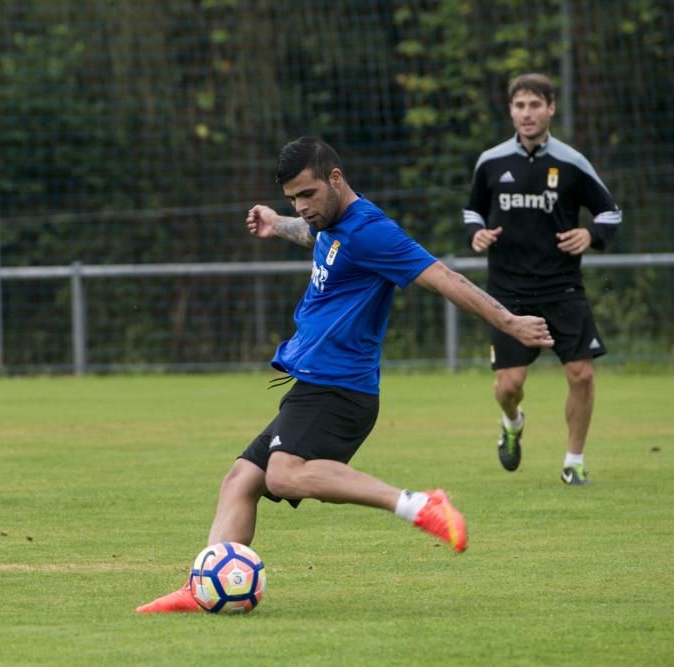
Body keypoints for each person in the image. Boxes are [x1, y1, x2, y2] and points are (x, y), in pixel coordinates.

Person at [136, 136, 555, 613]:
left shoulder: (372, 231)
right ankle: (201, 587)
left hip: (340, 387)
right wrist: (278, 224)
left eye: (307, 194)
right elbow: (319, 238)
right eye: (292, 197)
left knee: (285, 474)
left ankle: (419, 505)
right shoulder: (332, 223)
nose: (301, 205)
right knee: (240, 480)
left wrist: (510, 322)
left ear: (335, 179)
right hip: (314, 381)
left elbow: (446, 279)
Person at [463, 73, 622, 486]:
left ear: (551, 108)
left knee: (582, 374)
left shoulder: (571, 162)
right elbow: (471, 212)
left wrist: (591, 234)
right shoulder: (491, 161)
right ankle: (512, 422)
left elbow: (610, 212)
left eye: (535, 105)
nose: (527, 113)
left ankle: (573, 462)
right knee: (508, 386)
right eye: (520, 106)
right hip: (507, 292)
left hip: (562, 288)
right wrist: (475, 233)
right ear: (511, 111)